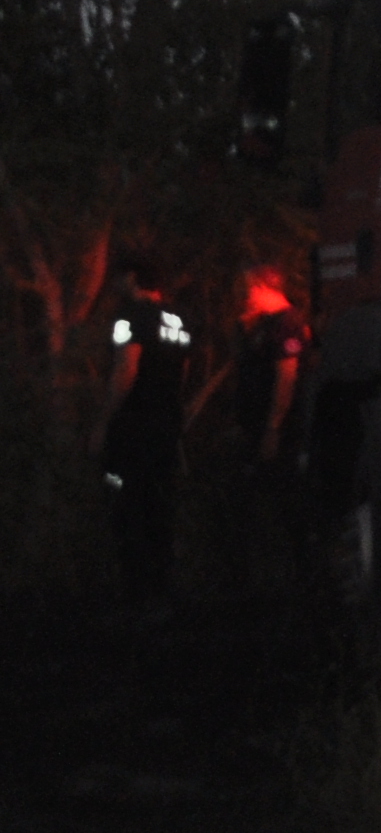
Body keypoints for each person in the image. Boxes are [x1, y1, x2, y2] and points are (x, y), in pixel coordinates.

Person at [94, 251, 198, 599]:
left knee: (129, 505)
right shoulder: (178, 319)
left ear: (132, 278)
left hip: (134, 426)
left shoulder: (130, 316)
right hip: (166, 425)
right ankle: (163, 589)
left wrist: (104, 421)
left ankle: (137, 592)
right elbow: (182, 371)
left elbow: (126, 369)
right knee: (160, 505)